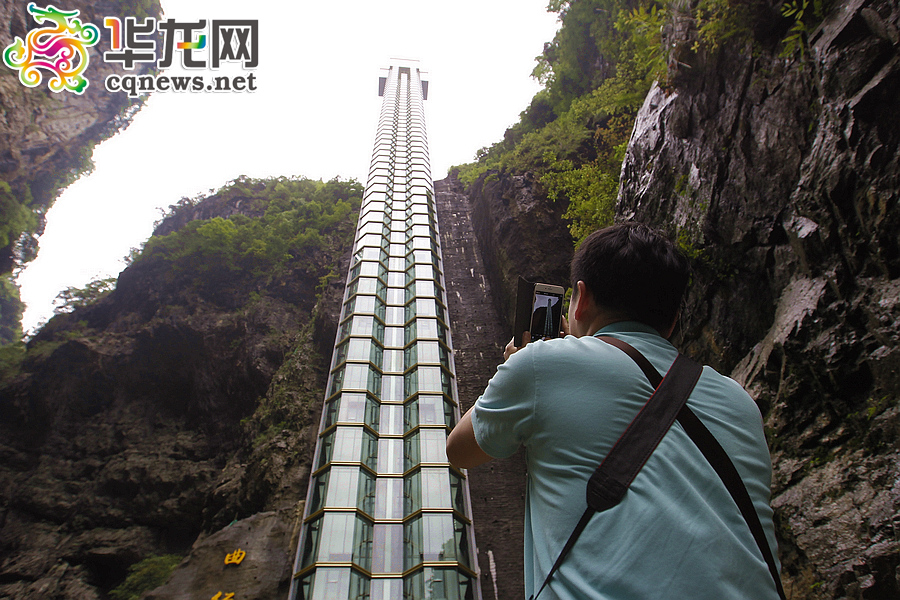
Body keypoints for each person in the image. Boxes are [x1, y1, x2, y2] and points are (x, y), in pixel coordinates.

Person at [446, 223, 781, 599]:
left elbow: (459, 451)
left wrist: (515, 366)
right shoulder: (740, 401)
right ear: (671, 320)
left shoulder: (542, 365)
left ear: (581, 299)